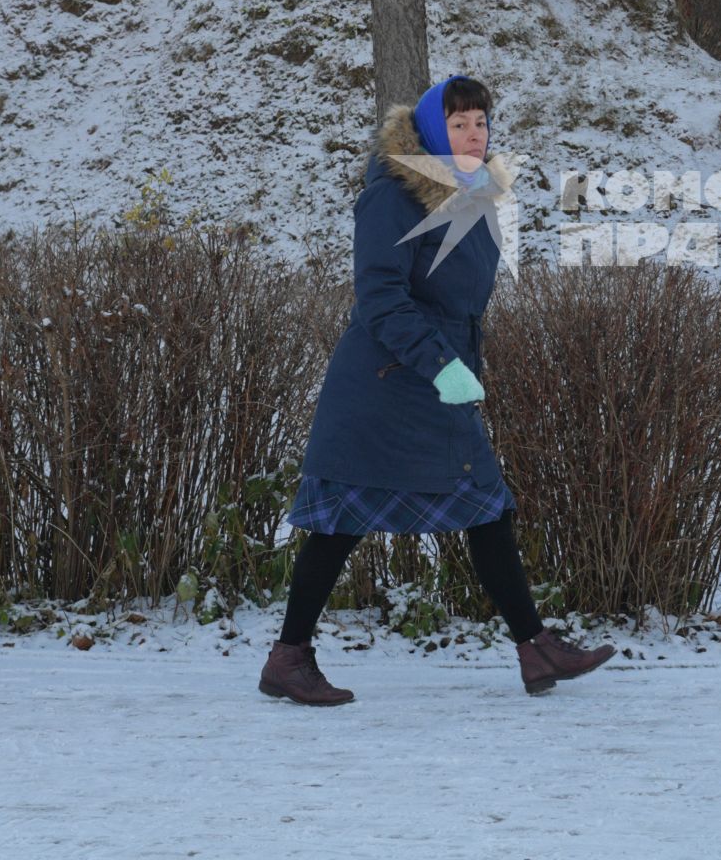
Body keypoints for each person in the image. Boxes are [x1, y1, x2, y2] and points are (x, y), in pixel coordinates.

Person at [259, 74, 615, 706]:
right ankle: (289, 658)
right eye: (458, 124)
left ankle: (535, 648)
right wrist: (441, 364)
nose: (473, 133)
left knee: (486, 504)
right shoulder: (393, 197)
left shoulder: (468, 194)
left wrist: (457, 362)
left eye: (480, 121)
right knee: (342, 516)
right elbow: (381, 299)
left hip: (436, 375)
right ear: (430, 131)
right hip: (386, 381)